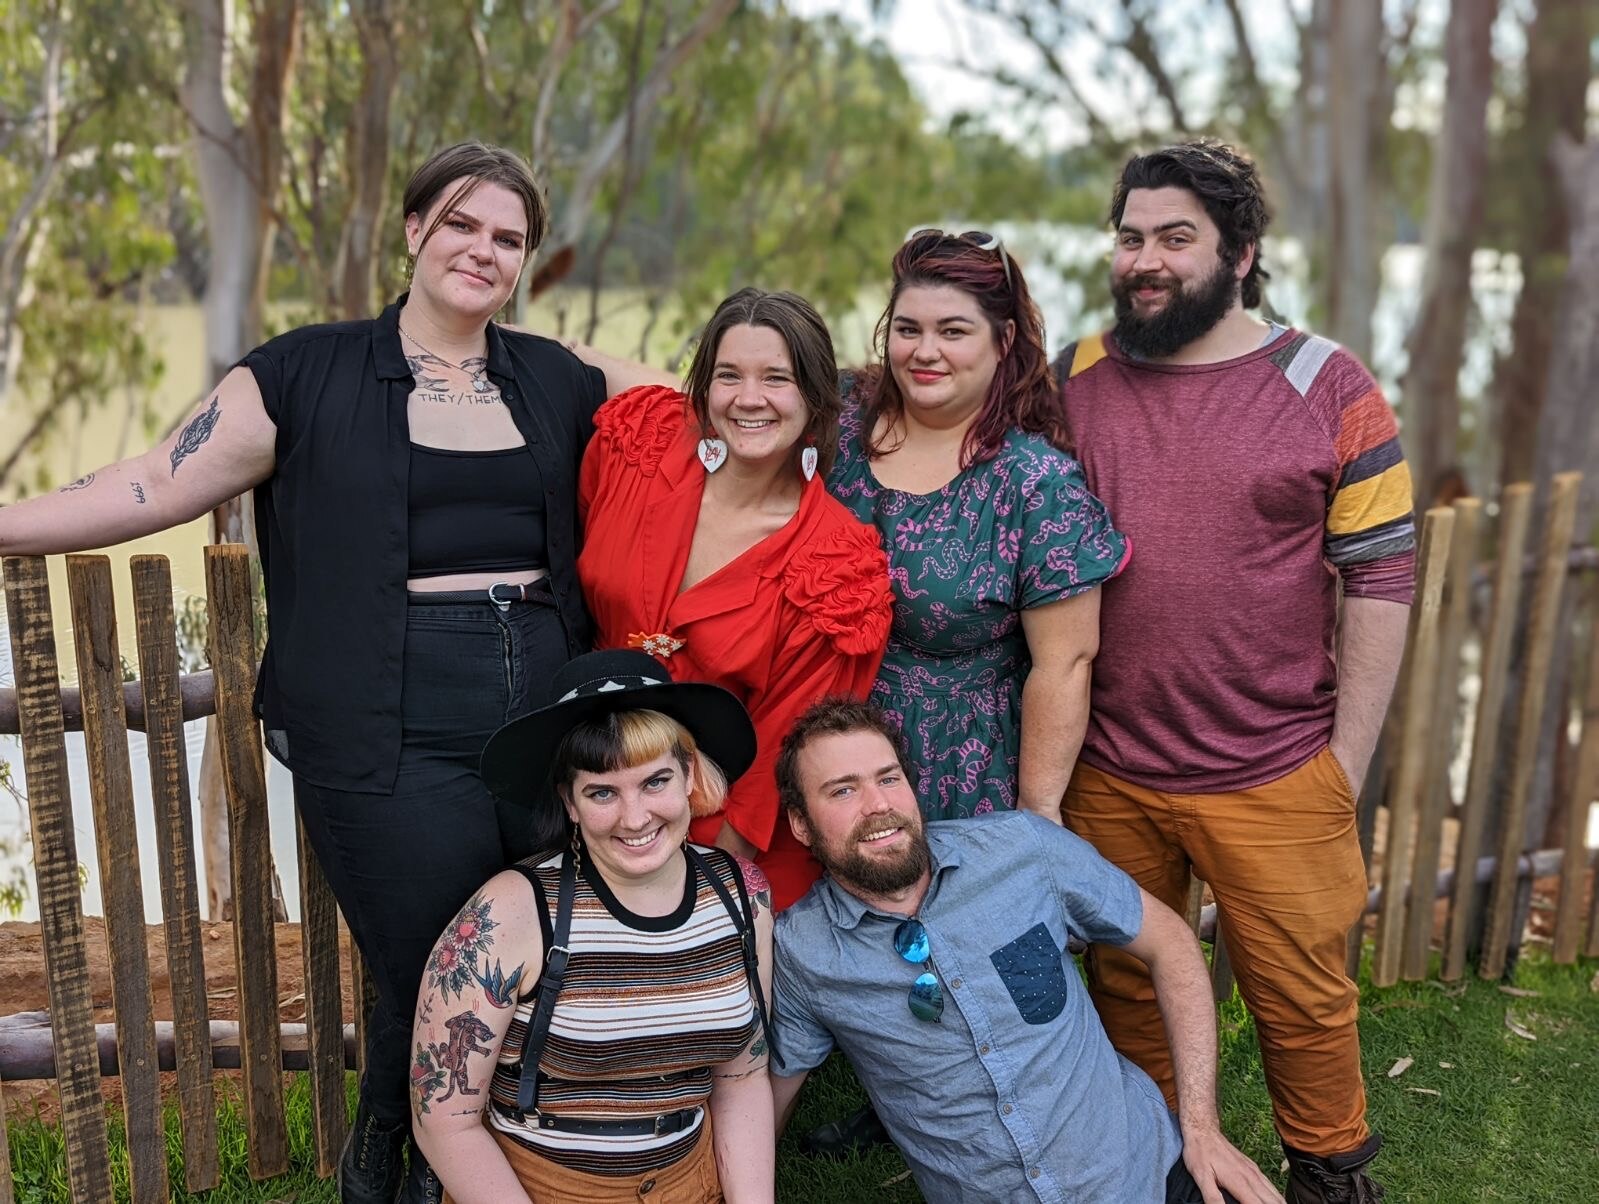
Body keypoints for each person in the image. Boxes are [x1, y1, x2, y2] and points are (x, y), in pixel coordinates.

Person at [0, 141, 607, 1200]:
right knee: (435, 962)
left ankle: (442, 1159)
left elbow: (726, 404)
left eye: (508, 238)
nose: (483, 250)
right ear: (414, 229)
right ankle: (395, 1170)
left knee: (532, 950)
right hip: (384, 719)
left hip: (543, 719)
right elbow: (152, 482)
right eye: (461, 224)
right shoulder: (302, 373)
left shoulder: (560, 377)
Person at [1052, 139, 1415, 1204]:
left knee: (1304, 999)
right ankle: (1162, 1161)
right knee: (1128, 979)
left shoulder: (1328, 385)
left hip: (1277, 763)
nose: (1145, 260)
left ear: (1241, 254)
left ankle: (1328, 1170)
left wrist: (1344, 765)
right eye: (1130, 238)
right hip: (1110, 764)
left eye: (1176, 238)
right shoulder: (1072, 380)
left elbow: (1382, 576)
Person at [767, 698, 1284, 1204]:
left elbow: (1169, 940)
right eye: (843, 790)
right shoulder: (804, 951)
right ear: (801, 824)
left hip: (1149, 1175)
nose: (878, 805)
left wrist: (1202, 1128)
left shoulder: (1022, 849)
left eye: (888, 778)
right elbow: (765, 1098)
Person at [411, 649, 776, 1204]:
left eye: (655, 781)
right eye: (602, 792)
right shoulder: (508, 914)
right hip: (540, 1186)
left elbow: (741, 1078)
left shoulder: (742, 895)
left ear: (690, 775)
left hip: (691, 1180)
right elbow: (445, 1120)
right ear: (570, 801)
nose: (635, 817)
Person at [571, 288, 893, 911]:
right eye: (728, 375)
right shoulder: (637, 449)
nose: (748, 398)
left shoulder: (836, 567)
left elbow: (779, 752)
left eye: (776, 378)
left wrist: (705, 888)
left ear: (815, 398)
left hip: (717, 828)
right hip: (588, 776)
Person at [831, 230, 1129, 825]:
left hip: (956, 772)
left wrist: (1036, 816)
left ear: (1003, 340)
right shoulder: (838, 424)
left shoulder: (1036, 485)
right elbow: (731, 401)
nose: (925, 351)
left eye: (953, 331)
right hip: (823, 751)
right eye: (908, 329)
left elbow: (1065, 664)